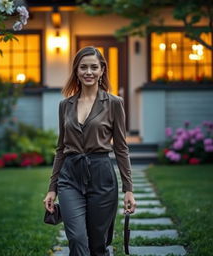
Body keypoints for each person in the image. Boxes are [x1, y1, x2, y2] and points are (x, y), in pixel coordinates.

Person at [43, 46, 136, 256]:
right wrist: (52, 188)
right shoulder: (65, 105)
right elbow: (61, 148)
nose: (88, 72)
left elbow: (121, 148)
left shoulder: (114, 103)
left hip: (102, 177)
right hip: (70, 177)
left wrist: (128, 189)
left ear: (102, 70)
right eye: (83, 67)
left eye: (94, 67)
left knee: (97, 245)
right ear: (76, 70)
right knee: (76, 238)